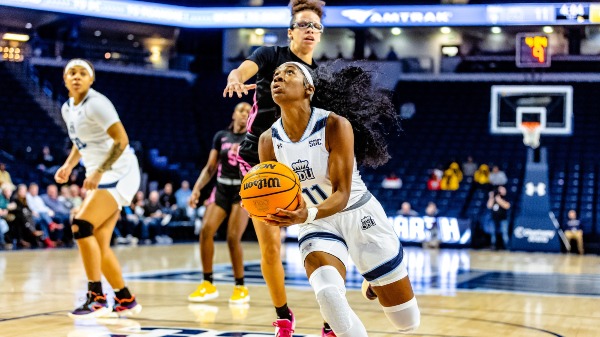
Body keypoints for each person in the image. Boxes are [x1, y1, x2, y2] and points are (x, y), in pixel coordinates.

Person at [257, 62, 420, 336]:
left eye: (289, 73)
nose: (278, 78)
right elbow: (272, 194)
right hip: (316, 225)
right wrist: (262, 206)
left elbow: (341, 194)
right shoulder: (268, 141)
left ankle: (372, 282)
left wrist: (302, 215)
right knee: (329, 295)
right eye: (275, 76)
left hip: (358, 215)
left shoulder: (334, 124)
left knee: (406, 322)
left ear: (309, 89)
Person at [223, 0, 325, 333]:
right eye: (304, 25)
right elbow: (242, 70)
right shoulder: (271, 55)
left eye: (316, 27)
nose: (310, 31)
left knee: (319, 238)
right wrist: (236, 78)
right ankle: (283, 316)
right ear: (291, 30)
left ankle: (332, 316)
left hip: (300, 158)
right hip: (259, 157)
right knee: (270, 243)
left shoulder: (319, 76)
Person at [55, 58, 141, 319]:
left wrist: (99, 170)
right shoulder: (67, 108)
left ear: (91, 80)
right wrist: (69, 166)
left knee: (80, 225)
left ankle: (96, 298)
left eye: (83, 73)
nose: (77, 76)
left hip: (120, 171)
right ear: (65, 79)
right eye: (72, 72)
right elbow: (79, 142)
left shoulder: (98, 103)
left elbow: (122, 140)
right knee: (99, 244)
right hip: (103, 173)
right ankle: (125, 298)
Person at [188, 102, 251, 304]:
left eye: (249, 112)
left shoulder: (252, 138)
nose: (244, 114)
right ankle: (207, 284)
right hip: (222, 187)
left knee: (233, 237)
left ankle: (240, 286)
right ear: (233, 114)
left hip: (242, 191)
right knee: (206, 230)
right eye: (241, 110)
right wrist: (197, 189)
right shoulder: (221, 136)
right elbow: (210, 167)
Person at [487, 186, 511, 250]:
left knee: (504, 232)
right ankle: (493, 245)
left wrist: (499, 200)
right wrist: (491, 197)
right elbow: (489, 206)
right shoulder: (493, 197)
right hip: (494, 218)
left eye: (503, 189)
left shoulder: (506, 197)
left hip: (503, 218)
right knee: (493, 232)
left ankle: (506, 246)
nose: (502, 191)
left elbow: (507, 206)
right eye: (501, 190)